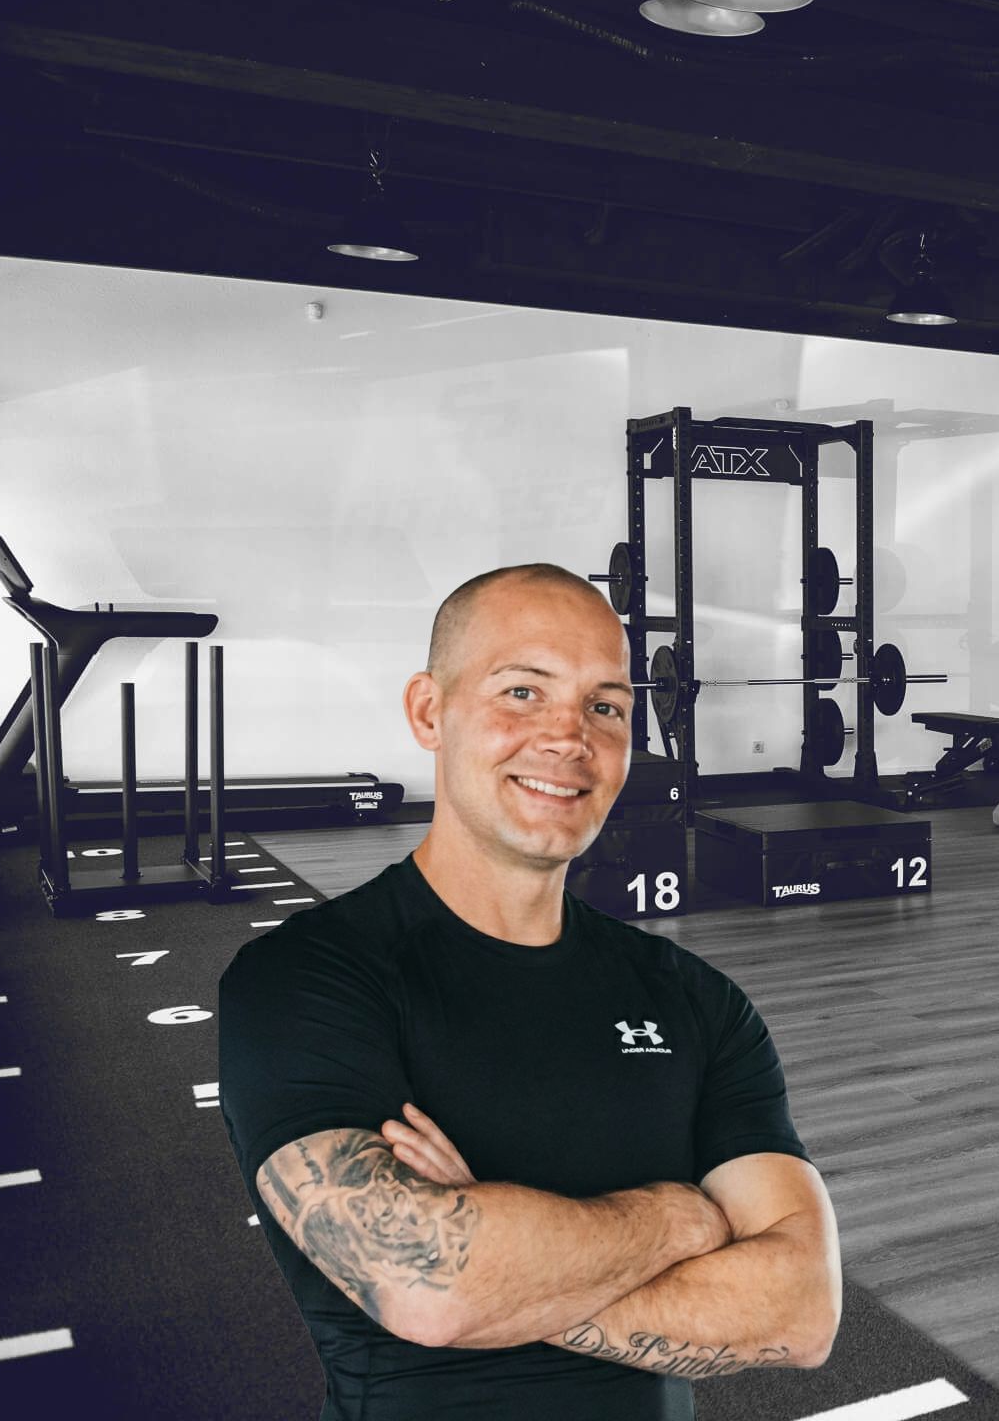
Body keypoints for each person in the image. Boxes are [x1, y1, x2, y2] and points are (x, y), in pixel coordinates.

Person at [218, 562, 839, 1420]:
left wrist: (503, 1272)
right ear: (429, 712)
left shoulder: (698, 1001)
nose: (568, 738)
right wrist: (678, 1222)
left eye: (606, 707)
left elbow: (801, 1312)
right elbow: (429, 1290)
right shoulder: (307, 978)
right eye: (522, 692)